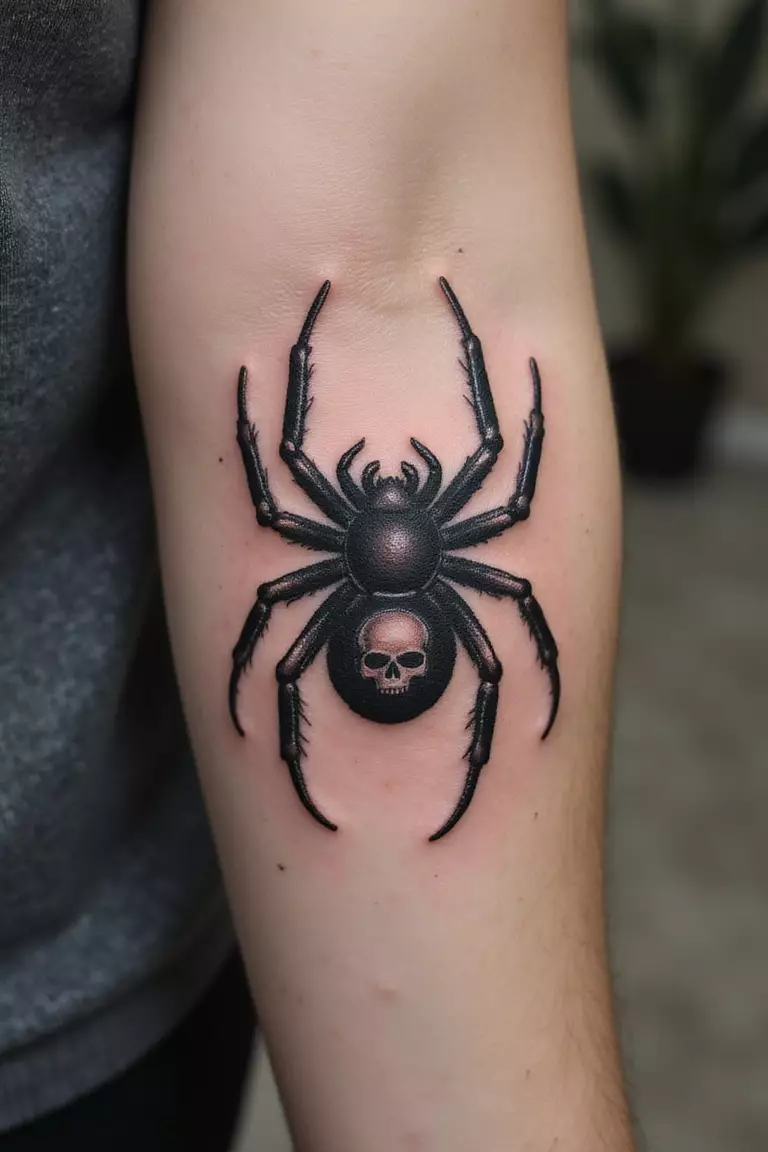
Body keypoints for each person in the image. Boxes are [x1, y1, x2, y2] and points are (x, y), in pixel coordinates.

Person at [1, 1, 634, 1148]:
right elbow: (496, 494)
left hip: (87, 980)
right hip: (93, 941)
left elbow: (376, 262)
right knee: (481, 638)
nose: (390, 490)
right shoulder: (444, 545)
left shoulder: (323, 542)